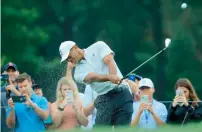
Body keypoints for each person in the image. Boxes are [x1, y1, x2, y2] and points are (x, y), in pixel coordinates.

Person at [59, 41, 133, 127]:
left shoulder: (98, 45)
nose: (69, 60)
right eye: (67, 59)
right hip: (104, 98)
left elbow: (109, 60)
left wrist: (113, 76)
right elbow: (93, 77)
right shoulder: (77, 74)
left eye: (69, 56)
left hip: (122, 94)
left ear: (75, 48)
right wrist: (110, 77)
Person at [49, 62, 88, 130]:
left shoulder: (78, 103)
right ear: (60, 91)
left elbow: (85, 123)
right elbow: (55, 124)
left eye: (69, 89)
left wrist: (77, 111)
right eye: (65, 89)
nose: (67, 91)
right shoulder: (54, 105)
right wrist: (61, 107)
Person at [1, 62, 20, 132]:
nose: (11, 73)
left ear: (18, 73)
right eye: (8, 71)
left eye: (13, 71)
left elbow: (26, 99)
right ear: (4, 73)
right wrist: (4, 80)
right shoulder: (2, 88)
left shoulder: (23, 86)